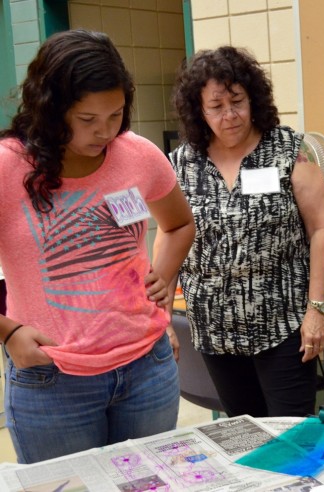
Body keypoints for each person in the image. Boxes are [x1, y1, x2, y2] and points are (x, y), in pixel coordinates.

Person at [0, 29, 195, 464]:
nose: (105, 131)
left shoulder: (138, 155)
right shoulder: (8, 165)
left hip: (148, 368)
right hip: (53, 380)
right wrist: (8, 332)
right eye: (87, 120)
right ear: (51, 109)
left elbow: (180, 223)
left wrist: (163, 275)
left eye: (115, 115)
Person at [162, 46, 324, 418]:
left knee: (293, 436)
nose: (230, 115)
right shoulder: (182, 164)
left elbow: (321, 229)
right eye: (217, 106)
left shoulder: (288, 150)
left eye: (237, 101)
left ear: (253, 98)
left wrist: (317, 309)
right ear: (199, 110)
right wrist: (160, 316)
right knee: (245, 435)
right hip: (214, 329)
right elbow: (169, 234)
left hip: (284, 323)